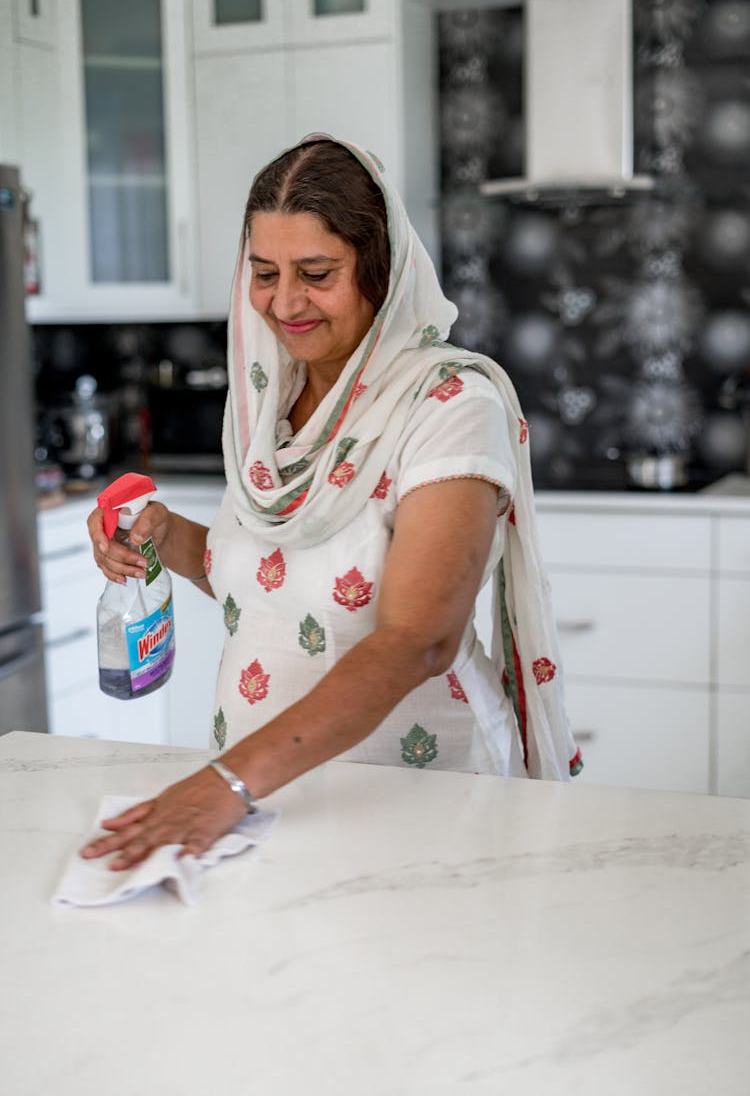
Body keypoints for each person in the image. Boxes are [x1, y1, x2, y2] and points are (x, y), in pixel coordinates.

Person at [82, 135, 581, 871]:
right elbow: (267, 579)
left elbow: (421, 638)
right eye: (263, 273)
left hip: (420, 800)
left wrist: (225, 782)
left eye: (317, 273)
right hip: (267, 800)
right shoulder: (268, 400)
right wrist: (160, 536)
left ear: (380, 270)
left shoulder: (446, 402)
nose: (284, 303)